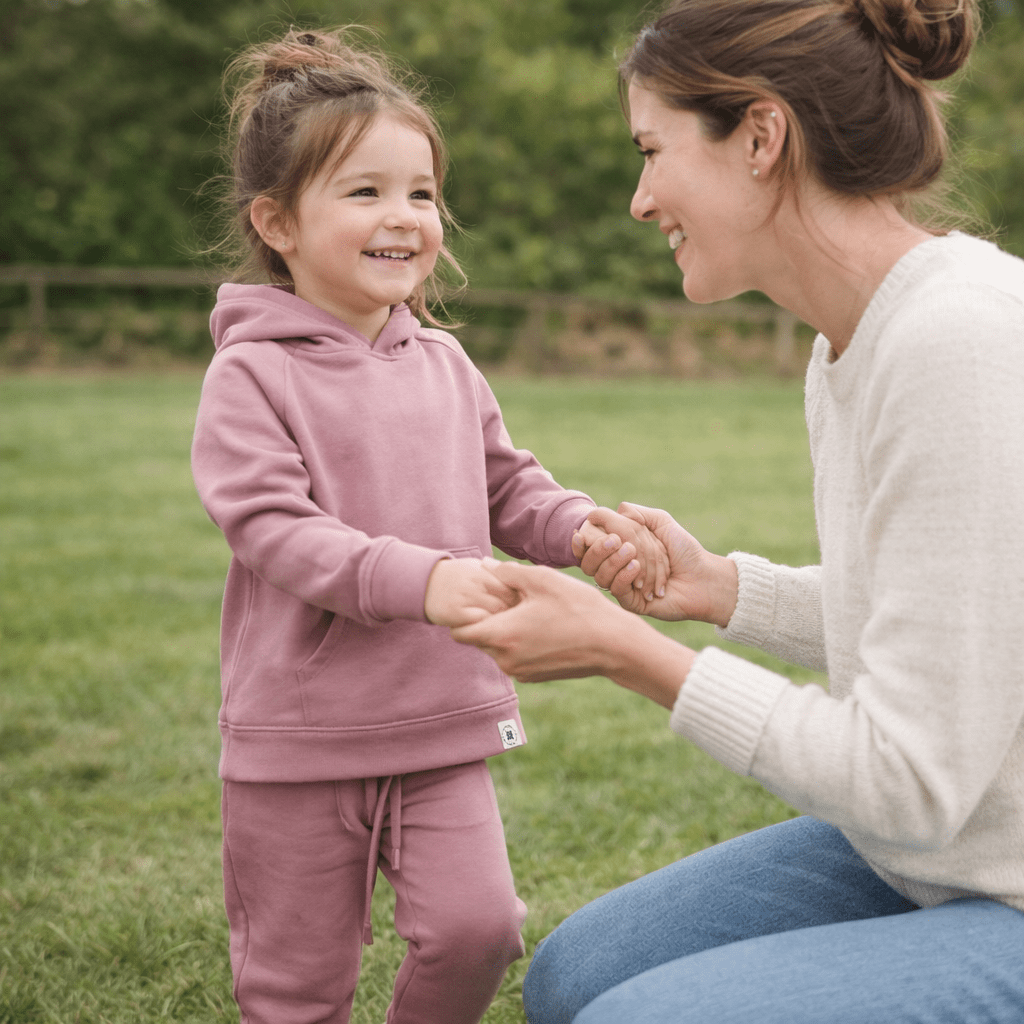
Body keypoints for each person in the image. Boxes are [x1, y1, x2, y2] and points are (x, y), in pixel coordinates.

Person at [452, 0, 1024, 1020]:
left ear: (760, 136)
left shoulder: (959, 343)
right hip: (939, 855)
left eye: (651, 149)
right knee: (573, 977)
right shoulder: (846, 342)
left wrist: (626, 650)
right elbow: (943, 623)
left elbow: (908, 779)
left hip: (997, 872)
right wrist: (721, 589)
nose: (637, 199)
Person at [189, 27, 668, 1024]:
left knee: (479, 928)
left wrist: (579, 528)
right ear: (275, 220)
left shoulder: (446, 364)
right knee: (297, 982)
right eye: (364, 193)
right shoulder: (250, 373)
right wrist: (423, 579)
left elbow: (510, 489)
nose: (403, 216)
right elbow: (274, 528)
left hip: (441, 721)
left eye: (420, 192)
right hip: (299, 739)